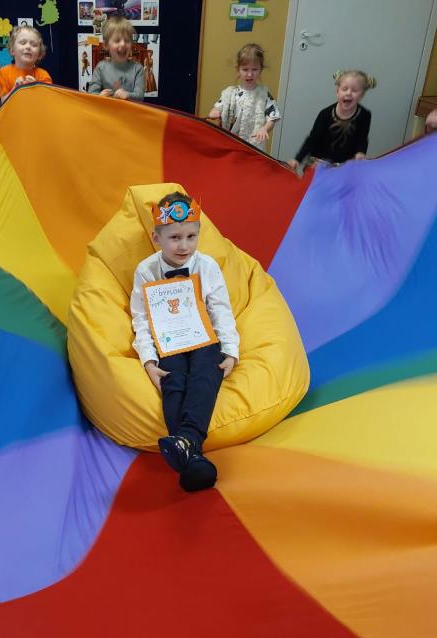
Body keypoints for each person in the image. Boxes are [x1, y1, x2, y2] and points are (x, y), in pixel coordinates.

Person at [130, 191, 239, 492]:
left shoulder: (207, 266)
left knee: (206, 374)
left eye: (191, 237)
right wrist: (149, 360)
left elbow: (220, 309)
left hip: (203, 337)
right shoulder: (146, 270)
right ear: (157, 238)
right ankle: (192, 453)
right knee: (173, 380)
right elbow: (141, 319)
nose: (184, 246)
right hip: (168, 341)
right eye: (175, 238)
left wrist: (230, 350)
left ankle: (186, 440)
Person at [288, 69, 375, 171]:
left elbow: (362, 139)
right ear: (337, 91)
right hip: (319, 164)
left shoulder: (364, 115)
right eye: (344, 89)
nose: (348, 93)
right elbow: (312, 140)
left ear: (362, 95)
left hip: (345, 167)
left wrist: (361, 152)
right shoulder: (325, 114)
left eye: (354, 90)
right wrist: (297, 159)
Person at [207, 43, 280, 152]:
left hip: (252, 147)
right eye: (245, 69)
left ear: (260, 69)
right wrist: (215, 112)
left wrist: (265, 128)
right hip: (230, 144)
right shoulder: (230, 93)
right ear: (238, 70)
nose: (250, 74)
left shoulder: (263, 94)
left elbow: (273, 117)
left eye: (254, 69)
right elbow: (218, 107)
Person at [88, 16, 145, 101]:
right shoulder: (101, 67)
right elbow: (91, 95)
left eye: (127, 40)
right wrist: (99, 96)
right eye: (117, 40)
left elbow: (140, 97)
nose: (123, 44)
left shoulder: (138, 68)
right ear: (106, 45)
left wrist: (128, 95)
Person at [0, 25, 52, 102]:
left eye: (34, 45)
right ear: (12, 50)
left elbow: (48, 101)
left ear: (39, 54)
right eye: (23, 43)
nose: (28, 47)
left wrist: (37, 88)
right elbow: (4, 102)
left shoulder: (43, 75)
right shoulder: (4, 72)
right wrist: (16, 88)